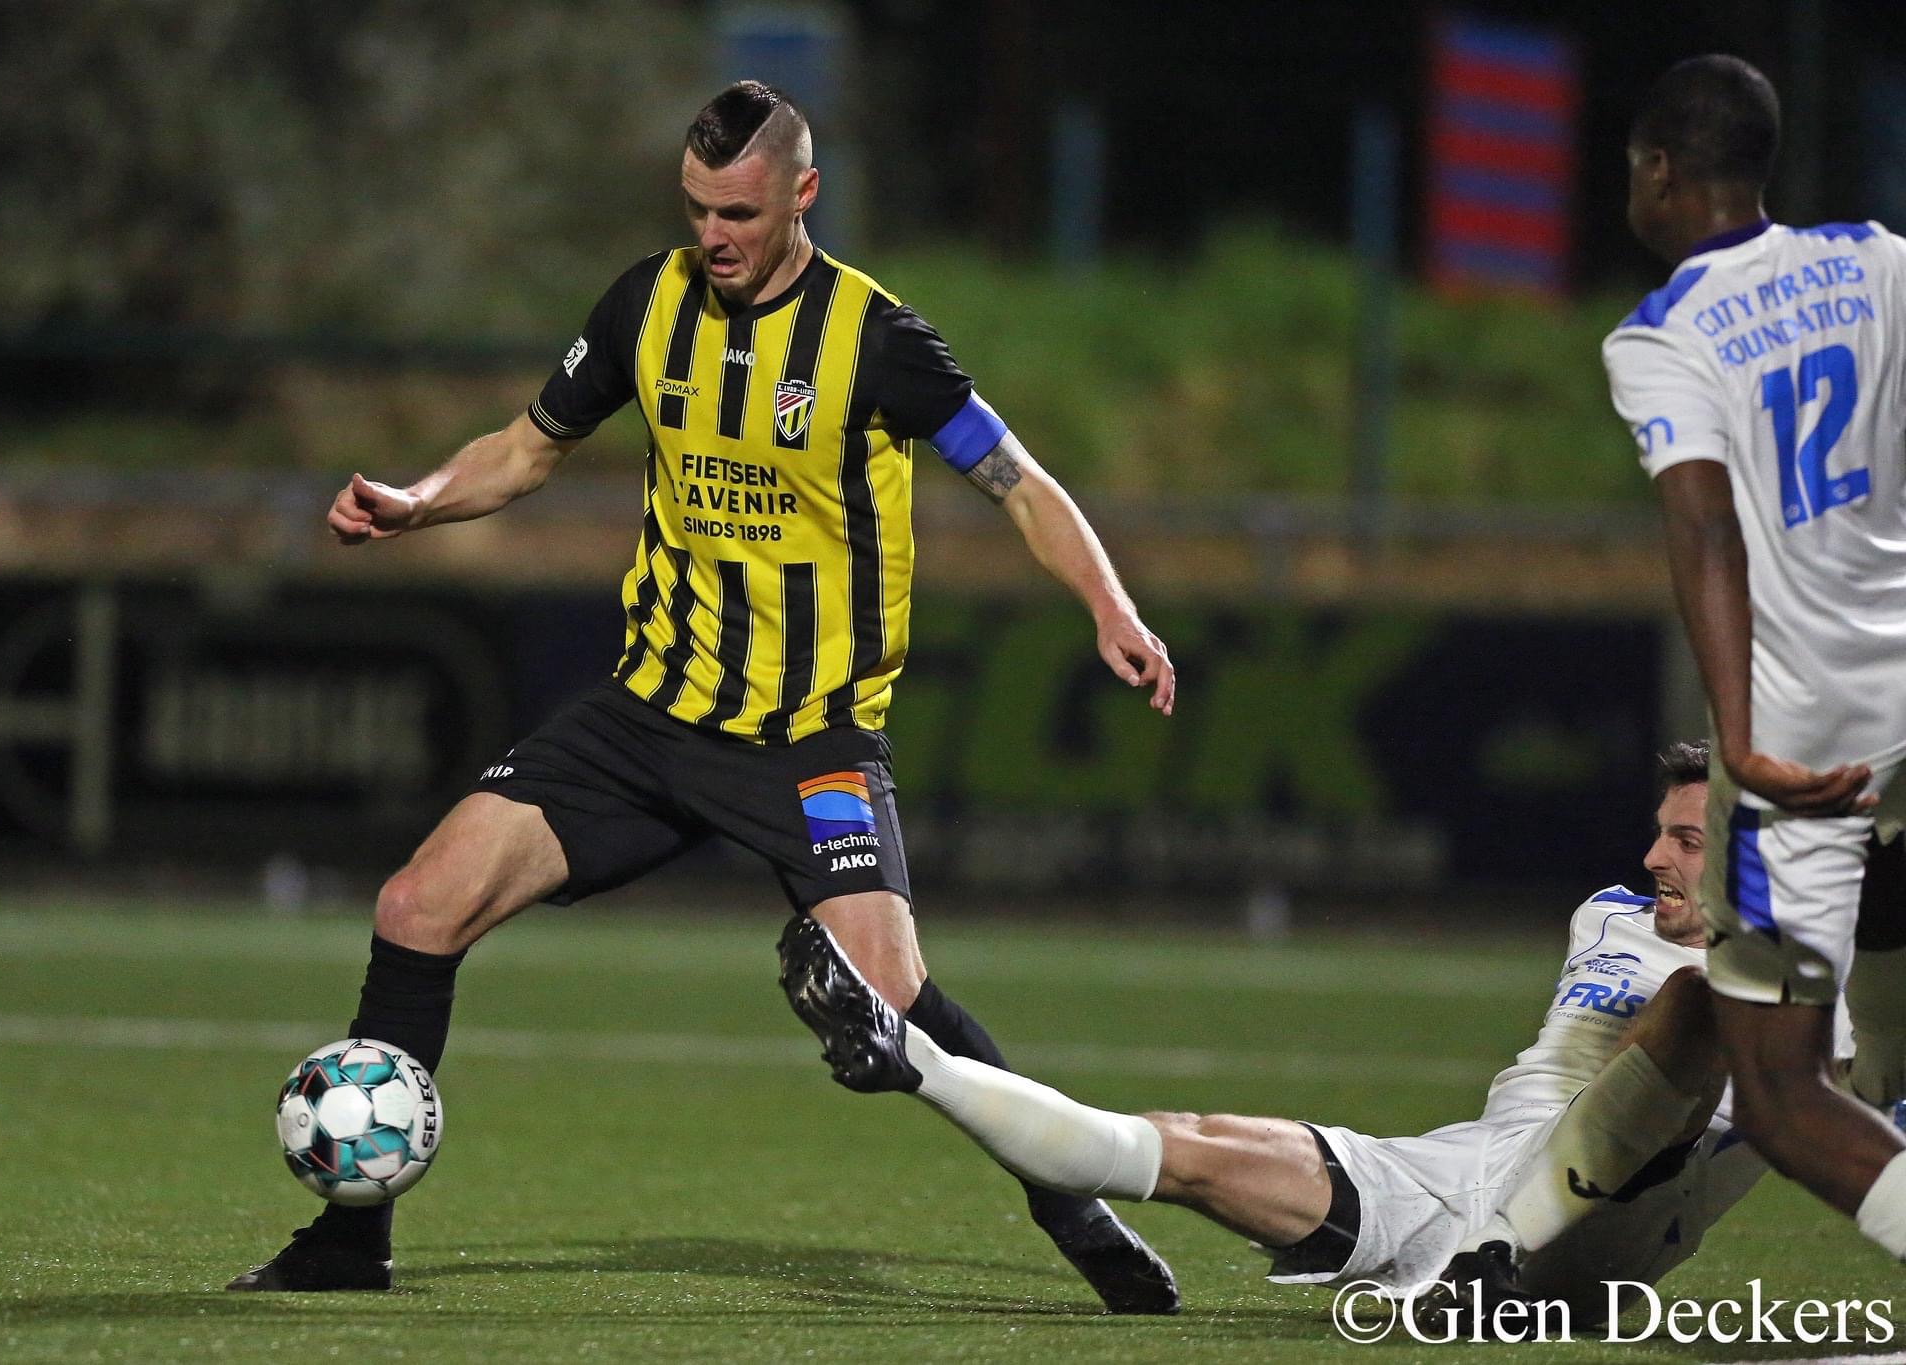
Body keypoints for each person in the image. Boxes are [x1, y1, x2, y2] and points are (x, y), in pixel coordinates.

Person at [226, 80, 1182, 1312]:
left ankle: (1077, 1209)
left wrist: (1110, 608)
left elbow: (1017, 482)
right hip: (646, 717)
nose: (712, 237)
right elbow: (527, 446)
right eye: (694, 210)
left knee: (890, 1004)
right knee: (418, 904)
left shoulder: (876, 340)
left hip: (809, 740)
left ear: (801, 194)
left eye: (735, 212)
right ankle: (349, 1246)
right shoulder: (647, 302)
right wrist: (417, 502)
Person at [780, 741, 1800, 1323]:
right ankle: (909, 1061)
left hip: (1600, 1240)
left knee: (1702, 1006)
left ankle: (1500, 1250)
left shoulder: (1810, 989)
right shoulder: (1607, 916)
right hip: (1453, 1180)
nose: (1650, 853)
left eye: (1684, 840)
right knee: (1183, 1144)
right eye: (1658, 830)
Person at [1603, 54, 1906, 1264]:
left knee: (1778, 1092)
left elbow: (1704, 523)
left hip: (1810, 714)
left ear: (1659, 169)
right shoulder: (1878, 260)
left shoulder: (1664, 332)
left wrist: (1736, 738)